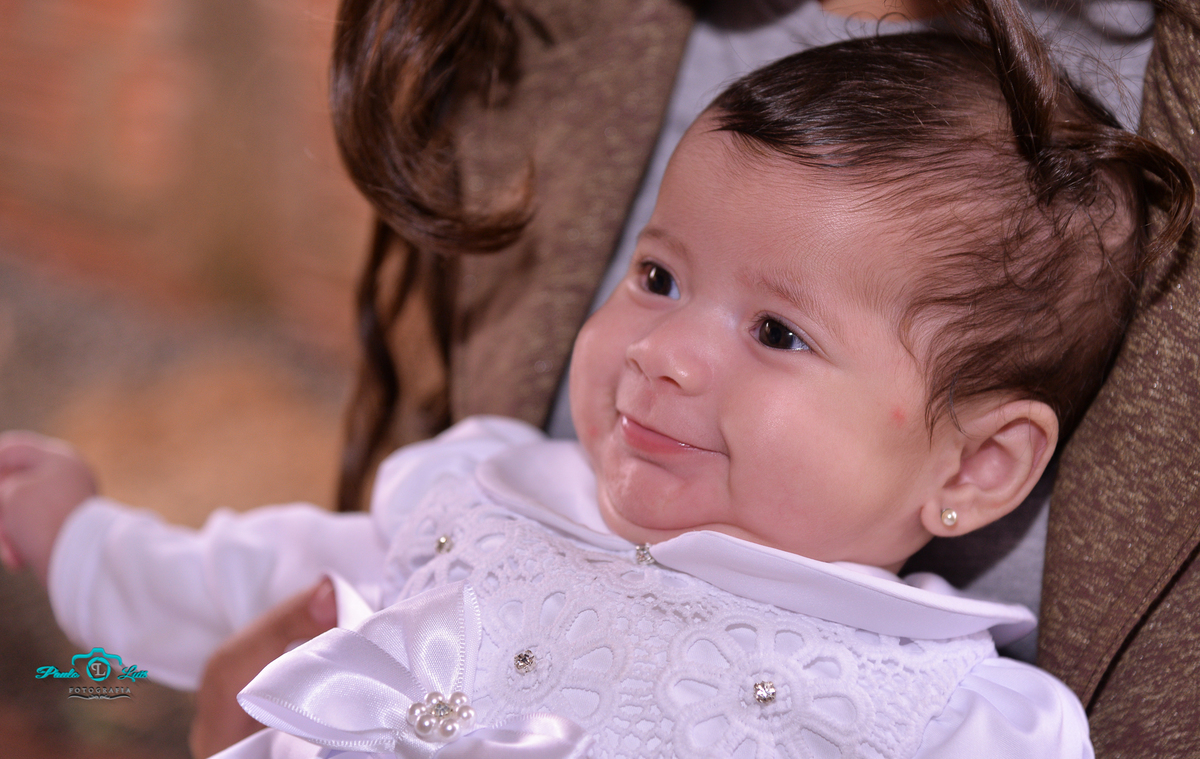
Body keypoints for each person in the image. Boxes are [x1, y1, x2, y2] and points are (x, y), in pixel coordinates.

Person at [2, 0, 1194, 754]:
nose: (661, 348)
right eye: (658, 277)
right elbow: (250, 583)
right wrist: (77, 538)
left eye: (778, 334)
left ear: (979, 466)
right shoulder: (494, 499)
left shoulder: (954, 717)